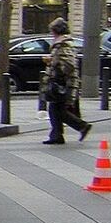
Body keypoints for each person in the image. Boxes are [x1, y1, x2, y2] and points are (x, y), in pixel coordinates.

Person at [40, 17, 92, 145]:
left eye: (52, 30)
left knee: (57, 109)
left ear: (56, 31)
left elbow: (68, 64)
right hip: (61, 81)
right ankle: (57, 135)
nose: (51, 33)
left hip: (62, 82)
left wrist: (53, 62)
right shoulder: (62, 43)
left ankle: (81, 126)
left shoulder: (63, 44)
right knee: (56, 109)